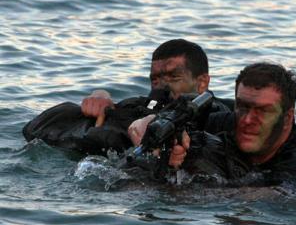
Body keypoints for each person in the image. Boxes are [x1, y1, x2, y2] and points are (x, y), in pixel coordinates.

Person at [22, 39, 232, 155]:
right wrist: (99, 96)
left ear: (202, 82)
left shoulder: (218, 115)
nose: (163, 85)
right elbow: (31, 129)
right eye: (156, 79)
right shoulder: (138, 104)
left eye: (173, 77)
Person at [156, 62, 296, 182]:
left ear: (287, 117)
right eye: (243, 106)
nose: (246, 120)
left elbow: (253, 202)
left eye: (262, 111)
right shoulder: (231, 121)